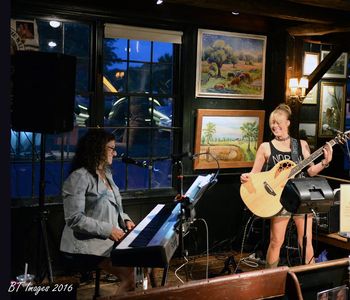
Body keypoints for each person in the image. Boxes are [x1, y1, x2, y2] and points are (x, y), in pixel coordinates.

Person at [240, 104, 333, 268]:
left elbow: (310, 171)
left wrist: (325, 162)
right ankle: (270, 278)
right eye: (272, 123)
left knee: (306, 241)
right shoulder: (265, 147)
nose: (275, 126)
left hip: (301, 198)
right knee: (276, 241)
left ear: (288, 123)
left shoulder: (301, 145)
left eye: (278, 122)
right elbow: (255, 174)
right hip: (279, 200)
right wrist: (246, 177)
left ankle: (308, 277)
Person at [60, 128, 135, 294]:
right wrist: (109, 230)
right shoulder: (79, 177)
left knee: (143, 263)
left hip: (106, 241)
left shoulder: (106, 174)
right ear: (97, 149)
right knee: (129, 278)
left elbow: (113, 206)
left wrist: (126, 220)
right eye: (111, 148)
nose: (115, 153)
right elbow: (74, 219)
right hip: (86, 246)